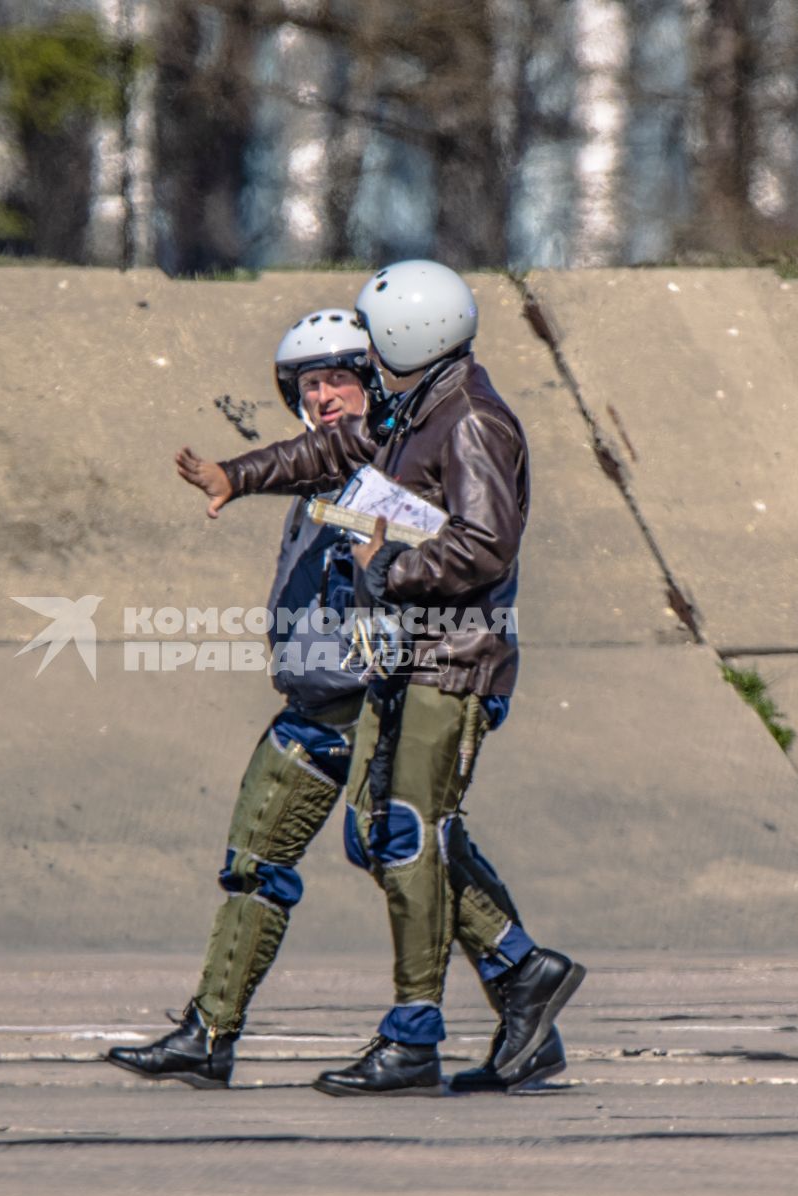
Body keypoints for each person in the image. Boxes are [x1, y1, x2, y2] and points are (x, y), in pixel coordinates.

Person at [168, 260, 584, 1097]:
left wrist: (388, 565)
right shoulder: (419, 412)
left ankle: (422, 1031)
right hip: (416, 665)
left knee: (403, 839)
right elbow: (333, 447)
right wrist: (236, 475)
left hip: (446, 659)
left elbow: (484, 545)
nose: (338, 385)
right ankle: (514, 982)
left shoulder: (466, 419)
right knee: (393, 841)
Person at [107, 309, 386, 1089]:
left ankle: (516, 972)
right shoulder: (320, 474)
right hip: (311, 709)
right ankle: (209, 1033)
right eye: (311, 384)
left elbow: (349, 467)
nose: (327, 397)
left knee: (410, 860)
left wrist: (247, 474)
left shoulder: (393, 458)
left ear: (375, 381)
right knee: (253, 866)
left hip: (376, 709)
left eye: (341, 378)